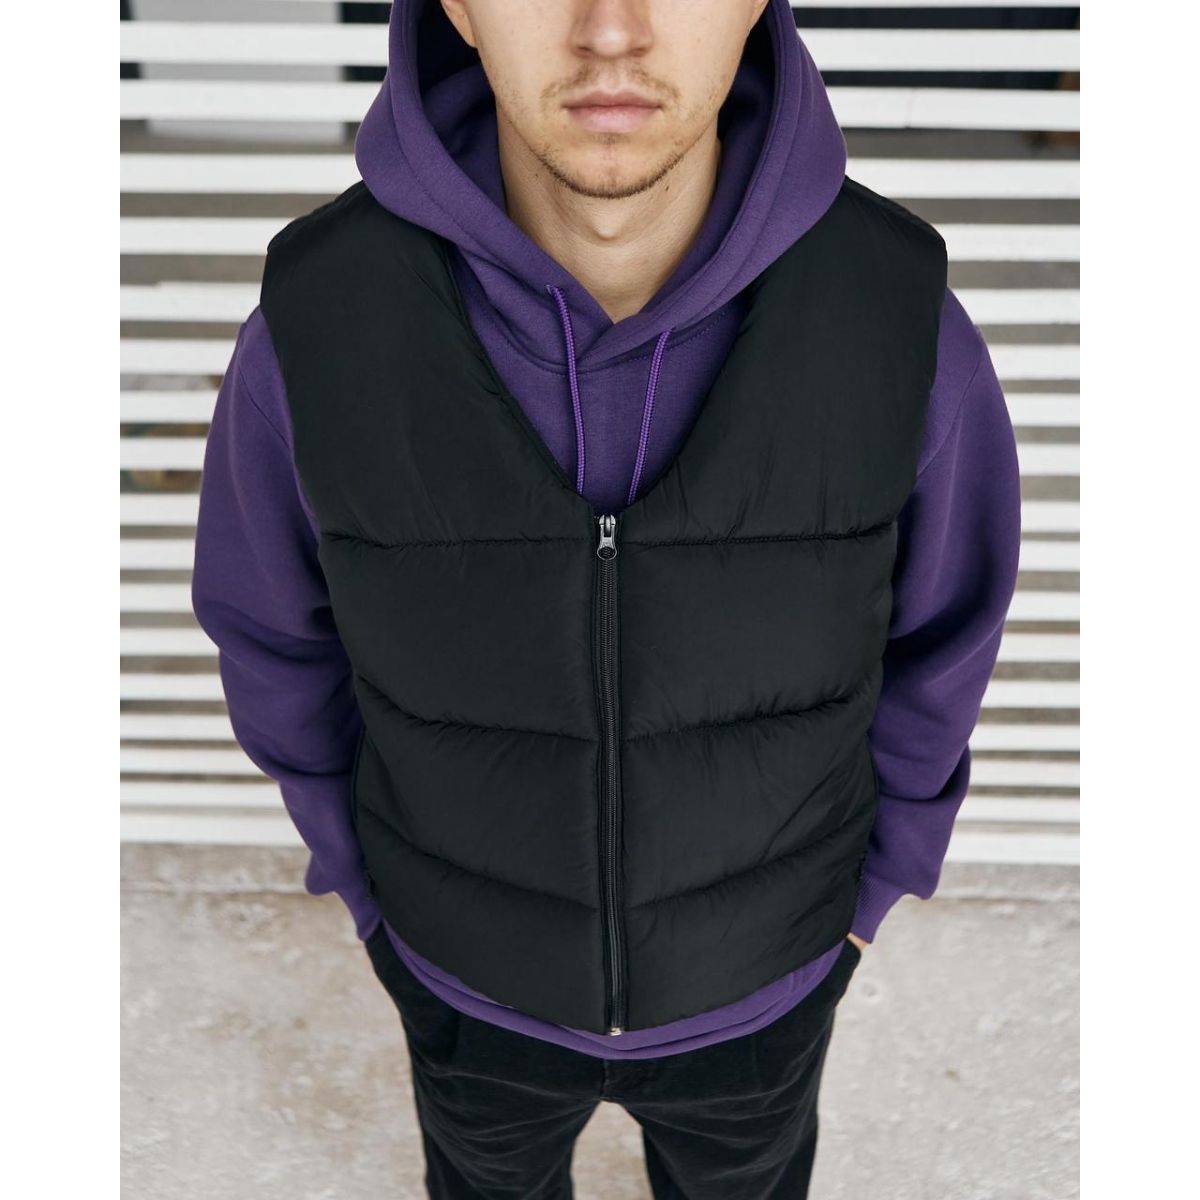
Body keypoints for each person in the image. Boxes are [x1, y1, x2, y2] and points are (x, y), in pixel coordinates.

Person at [191, 0, 1021, 1195]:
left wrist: (870, 897)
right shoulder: (321, 320)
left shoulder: (894, 313)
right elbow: (275, 639)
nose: (612, 31)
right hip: (462, 984)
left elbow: (944, 641)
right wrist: (373, 901)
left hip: (770, 985)